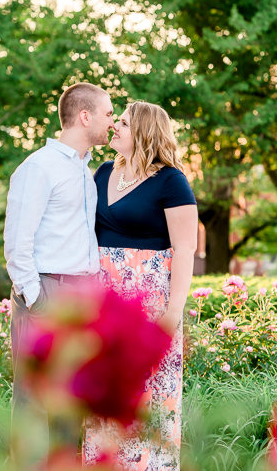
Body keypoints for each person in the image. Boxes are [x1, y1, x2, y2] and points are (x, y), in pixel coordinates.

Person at [4, 82, 115, 467]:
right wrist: (37, 298)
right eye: (108, 113)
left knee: (71, 402)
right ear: (85, 117)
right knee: (34, 404)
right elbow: (18, 243)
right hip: (47, 294)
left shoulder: (86, 172)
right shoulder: (38, 168)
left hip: (81, 298)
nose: (112, 122)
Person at [83, 101, 198, 470]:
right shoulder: (102, 173)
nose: (114, 126)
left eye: (124, 123)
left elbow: (185, 248)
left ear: (145, 132)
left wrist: (173, 312)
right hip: (102, 305)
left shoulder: (171, 181)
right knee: (101, 393)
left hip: (150, 304)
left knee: (147, 396)